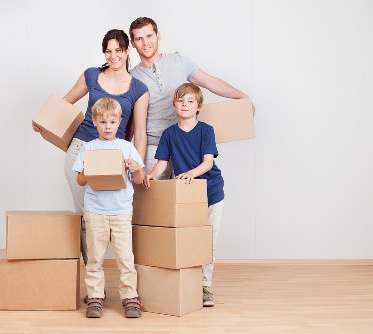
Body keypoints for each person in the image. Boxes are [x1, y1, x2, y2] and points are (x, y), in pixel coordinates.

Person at [32, 29, 149, 265]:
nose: (113, 56)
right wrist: (43, 119)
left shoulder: (139, 89)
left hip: (115, 155)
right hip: (83, 147)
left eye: (118, 50)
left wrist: (140, 167)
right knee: (86, 213)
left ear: (127, 51)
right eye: (108, 51)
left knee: (111, 214)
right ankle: (92, 272)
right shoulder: (91, 75)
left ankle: (110, 268)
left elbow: (140, 132)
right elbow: (66, 101)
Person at [129, 17, 254, 177]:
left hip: (185, 144)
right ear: (132, 43)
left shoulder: (179, 60)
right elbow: (132, 124)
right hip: (153, 148)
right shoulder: (132, 77)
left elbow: (209, 81)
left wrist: (242, 97)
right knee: (151, 199)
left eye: (149, 36)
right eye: (139, 39)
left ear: (158, 36)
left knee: (187, 199)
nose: (145, 43)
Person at [143, 83, 224, 307]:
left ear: (199, 106)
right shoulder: (169, 134)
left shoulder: (206, 130)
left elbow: (208, 162)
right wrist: (151, 175)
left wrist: (190, 173)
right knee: (187, 240)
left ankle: (205, 287)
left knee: (208, 241)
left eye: (190, 101)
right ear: (174, 104)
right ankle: (188, 283)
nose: (185, 105)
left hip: (212, 192)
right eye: (180, 101)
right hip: (187, 196)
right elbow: (162, 163)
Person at [73, 97, 145, 318]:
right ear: (95, 122)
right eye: (103, 122)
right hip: (95, 212)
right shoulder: (88, 148)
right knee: (95, 258)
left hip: (121, 211)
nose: (107, 127)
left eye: (112, 122)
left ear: (119, 122)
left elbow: (139, 178)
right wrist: (87, 169)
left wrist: (136, 168)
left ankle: (130, 297)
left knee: (125, 257)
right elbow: (81, 181)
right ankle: (95, 297)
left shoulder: (126, 147)